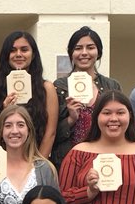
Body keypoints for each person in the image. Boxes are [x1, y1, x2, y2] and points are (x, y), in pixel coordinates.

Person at [52, 26, 121, 173]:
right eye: (78, 48)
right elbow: (50, 132)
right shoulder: (59, 86)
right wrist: (71, 119)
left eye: (90, 47)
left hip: (104, 160)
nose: (84, 53)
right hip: (68, 160)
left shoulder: (111, 86)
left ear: (98, 52)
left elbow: (122, 124)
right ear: (71, 53)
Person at [0, 31, 59, 158]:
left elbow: (50, 132)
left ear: (33, 55)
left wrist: (39, 163)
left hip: (37, 157)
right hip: (6, 159)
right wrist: (4, 112)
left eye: (24, 50)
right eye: (12, 50)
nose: (18, 54)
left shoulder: (46, 88)